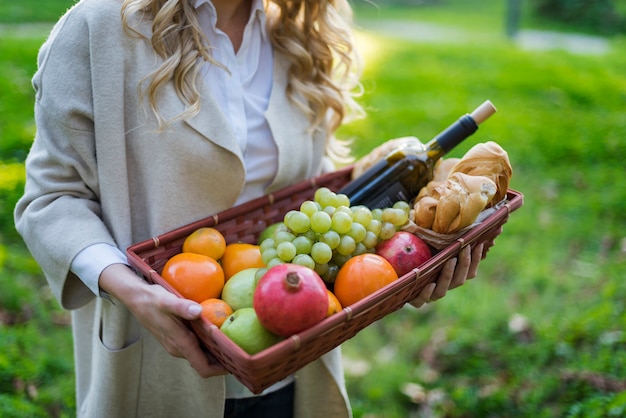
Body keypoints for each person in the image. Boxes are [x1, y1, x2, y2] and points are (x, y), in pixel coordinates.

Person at [14, 0, 485, 417]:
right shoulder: (100, 29)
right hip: (156, 367)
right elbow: (52, 198)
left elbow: (315, 196)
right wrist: (131, 290)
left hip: (294, 366)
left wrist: (408, 269)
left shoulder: (302, 36)